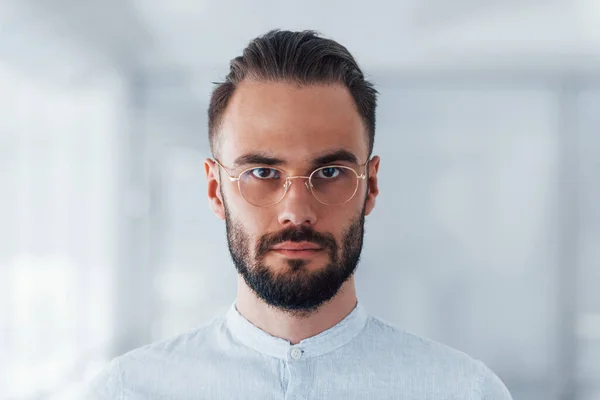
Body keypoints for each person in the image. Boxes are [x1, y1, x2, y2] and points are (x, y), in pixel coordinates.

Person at [87, 29, 512, 399]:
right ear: (216, 189)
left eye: (329, 172)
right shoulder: (128, 391)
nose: (296, 211)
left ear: (371, 185)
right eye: (263, 172)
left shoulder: (464, 392)